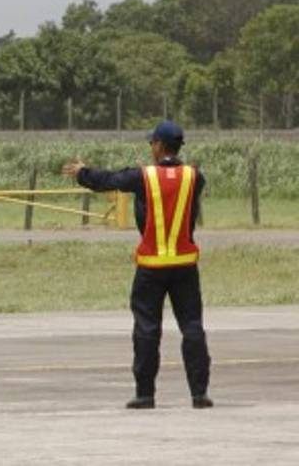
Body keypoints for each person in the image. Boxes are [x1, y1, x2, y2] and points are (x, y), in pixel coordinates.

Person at [62, 120, 213, 410]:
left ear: (159, 145)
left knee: (146, 329)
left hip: (151, 267)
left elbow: (109, 180)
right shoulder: (196, 177)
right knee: (192, 327)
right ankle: (199, 394)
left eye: (152, 143)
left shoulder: (143, 176)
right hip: (184, 266)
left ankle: (145, 394)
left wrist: (83, 172)